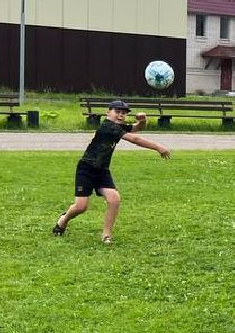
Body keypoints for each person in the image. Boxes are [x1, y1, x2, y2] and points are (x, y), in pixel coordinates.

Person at [51, 99, 170, 244]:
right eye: (117, 112)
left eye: (123, 113)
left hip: (102, 170)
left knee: (114, 199)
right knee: (80, 207)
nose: (120, 115)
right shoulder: (108, 126)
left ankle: (106, 235)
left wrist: (143, 120)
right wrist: (158, 147)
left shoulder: (118, 127)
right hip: (87, 168)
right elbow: (135, 139)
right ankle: (63, 220)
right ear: (108, 113)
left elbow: (137, 128)